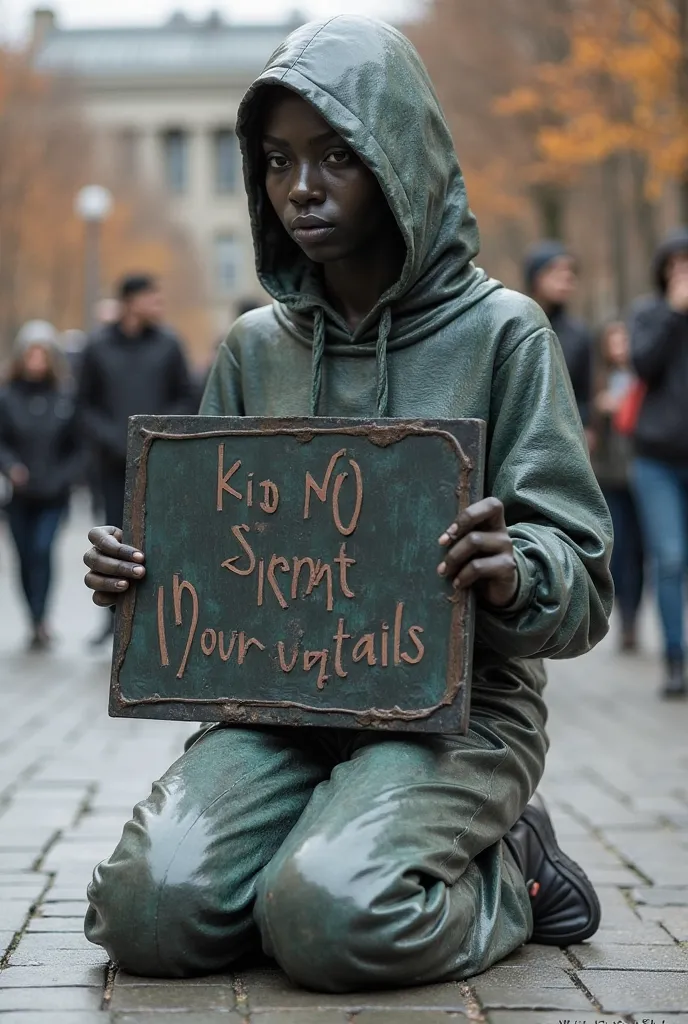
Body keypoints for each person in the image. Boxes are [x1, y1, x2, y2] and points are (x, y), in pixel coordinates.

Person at [81, 18, 613, 991]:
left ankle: (511, 874)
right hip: (274, 707)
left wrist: (517, 572)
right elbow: (215, 561)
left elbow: (582, 586)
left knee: (332, 916)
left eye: (337, 156)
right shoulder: (252, 350)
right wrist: (140, 578)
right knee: (147, 912)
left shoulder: (505, 334)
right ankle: (308, 854)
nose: (301, 189)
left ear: (401, 157)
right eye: (278, 161)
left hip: (455, 709)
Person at [77, 274, 196, 645]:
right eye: (151, 298)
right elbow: (83, 405)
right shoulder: (97, 347)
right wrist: (113, 439)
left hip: (160, 460)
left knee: (159, 536)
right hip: (112, 463)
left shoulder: (169, 345)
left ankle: (158, 615)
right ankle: (112, 618)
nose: (158, 305)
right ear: (129, 301)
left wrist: (156, 430)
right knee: (113, 537)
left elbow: (186, 397)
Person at [630, 227, 688, 699]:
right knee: (669, 558)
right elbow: (642, 365)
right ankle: (674, 658)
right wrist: (674, 313)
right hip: (656, 462)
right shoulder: (649, 315)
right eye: (676, 265)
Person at [0, 321, 83, 649]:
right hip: (19, 493)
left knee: (43, 549)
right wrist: (10, 467)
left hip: (53, 494)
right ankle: (32, 617)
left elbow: (79, 446)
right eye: (31, 354)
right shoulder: (7, 397)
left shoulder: (65, 397)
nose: (36, 361)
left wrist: (64, 476)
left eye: (42, 354)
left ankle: (43, 615)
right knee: (23, 555)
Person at [591, 320, 645, 653]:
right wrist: (599, 409)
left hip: (641, 473)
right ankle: (624, 616)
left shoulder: (645, 379)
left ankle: (634, 615)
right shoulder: (600, 381)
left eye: (625, 339)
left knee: (640, 551)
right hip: (610, 475)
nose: (621, 346)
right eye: (615, 340)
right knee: (620, 547)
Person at [525, 241, 594, 434]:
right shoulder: (517, 324)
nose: (566, 278)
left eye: (570, 273)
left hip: (567, 433)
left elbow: (583, 392)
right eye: (556, 271)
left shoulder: (579, 333)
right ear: (535, 277)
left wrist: (586, 428)